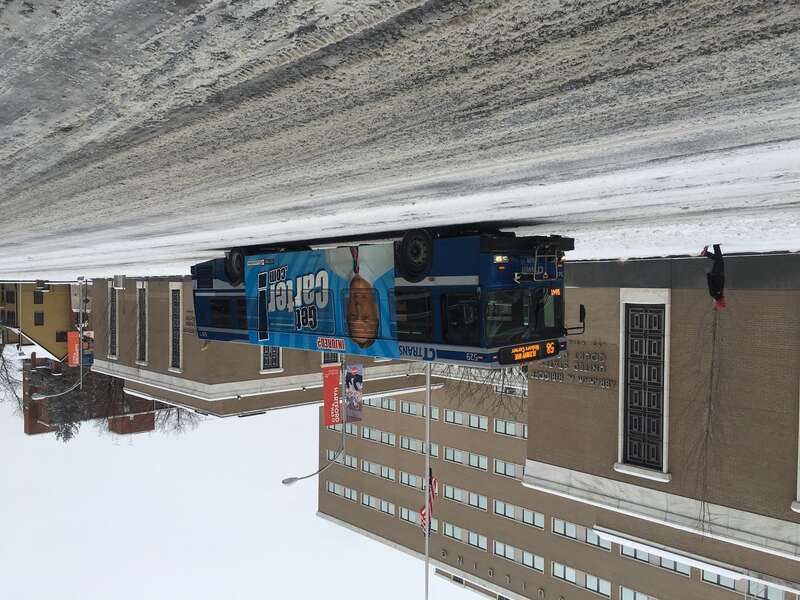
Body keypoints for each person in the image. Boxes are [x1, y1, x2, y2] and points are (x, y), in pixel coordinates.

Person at [700, 244, 726, 309]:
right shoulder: (720, 295)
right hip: (720, 274)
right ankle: (706, 252)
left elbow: (710, 284)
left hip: (715, 274)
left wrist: (709, 275)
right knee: (719, 260)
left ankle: (715, 246)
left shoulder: (714, 295)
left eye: (723, 303)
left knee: (719, 260)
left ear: (720, 302)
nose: (725, 302)